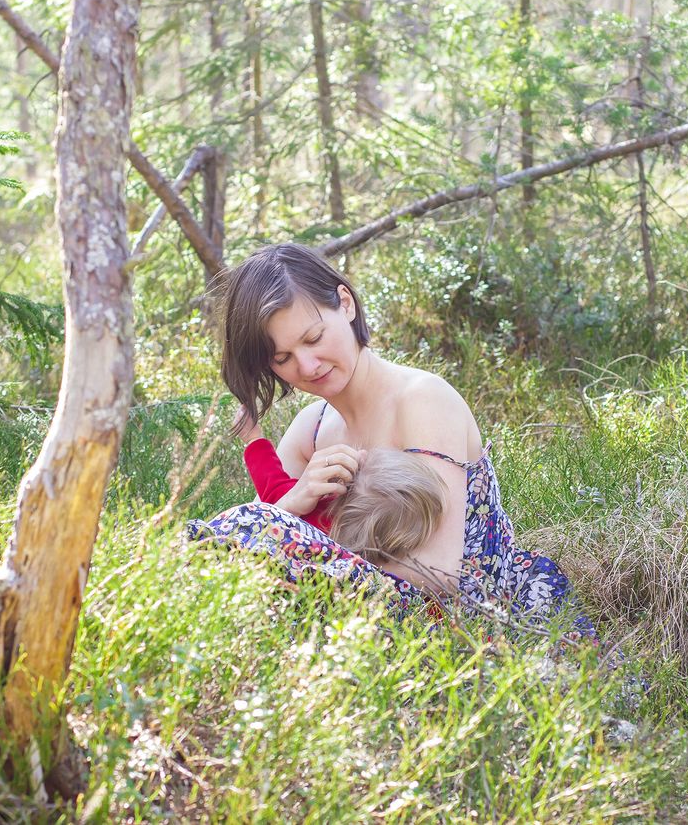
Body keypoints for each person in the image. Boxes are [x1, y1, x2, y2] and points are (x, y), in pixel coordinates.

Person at [189, 242, 593, 639]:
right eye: (282, 359)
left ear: (345, 304)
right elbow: (255, 550)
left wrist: (317, 564)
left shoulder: (421, 400)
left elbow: (438, 572)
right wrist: (294, 504)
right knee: (213, 547)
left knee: (242, 526)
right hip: (353, 625)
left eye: (313, 339)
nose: (307, 366)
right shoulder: (309, 430)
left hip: (475, 620)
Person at [236, 405, 448, 575]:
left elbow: (271, 482)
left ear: (342, 486)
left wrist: (254, 438)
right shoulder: (367, 571)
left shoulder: (312, 514)